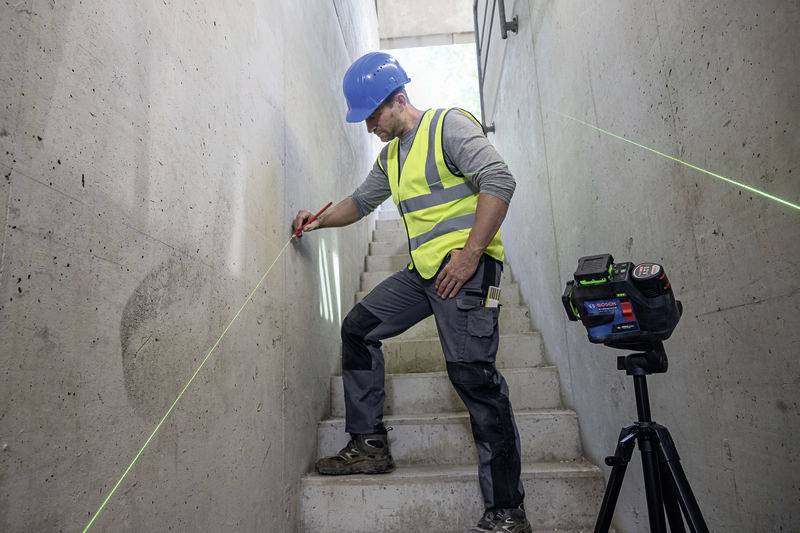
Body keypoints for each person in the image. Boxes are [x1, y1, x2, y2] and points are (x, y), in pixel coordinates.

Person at [291, 51, 532, 533]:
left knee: (475, 379)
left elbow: (499, 179)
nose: (369, 127)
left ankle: (507, 509)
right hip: (424, 274)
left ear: (398, 99)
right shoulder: (391, 158)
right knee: (358, 328)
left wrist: (470, 255)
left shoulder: (448, 126)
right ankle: (369, 444)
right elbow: (361, 202)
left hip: (466, 271)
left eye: (372, 116)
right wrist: (316, 221)